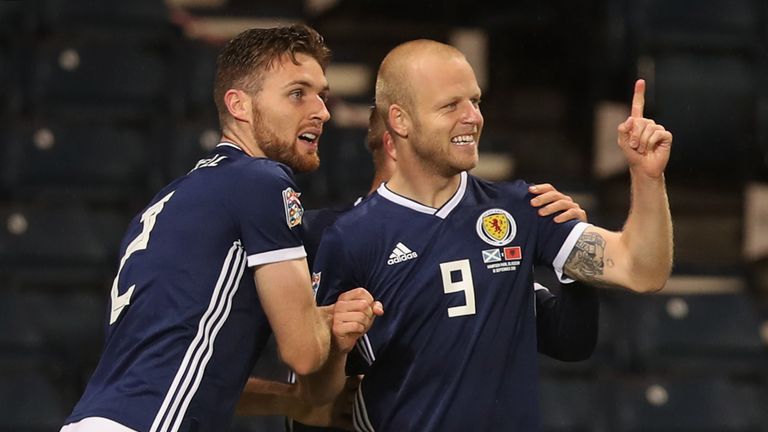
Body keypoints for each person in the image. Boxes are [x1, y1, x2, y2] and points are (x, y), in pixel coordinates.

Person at [302, 39, 673, 431]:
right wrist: (337, 349)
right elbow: (316, 392)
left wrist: (647, 178)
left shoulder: (523, 208)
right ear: (400, 120)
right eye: (451, 105)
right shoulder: (350, 238)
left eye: (475, 101)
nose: (473, 117)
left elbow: (642, 269)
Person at [60, 24, 380, 432]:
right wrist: (333, 327)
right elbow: (303, 353)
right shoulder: (261, 181)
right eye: (298, 93)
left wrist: (294, 398)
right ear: (239, 105)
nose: (321, 111)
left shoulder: (172, 201)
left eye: (322, 95)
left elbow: (194, 378)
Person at [236, 108, 599, 431]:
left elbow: (570, 340)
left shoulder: (470, 234)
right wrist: (290, 396)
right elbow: (219, 346)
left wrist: (574, 256)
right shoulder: (318, 237)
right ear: (397, 141)